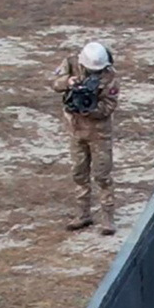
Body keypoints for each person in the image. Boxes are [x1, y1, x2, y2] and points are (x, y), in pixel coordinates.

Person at [52, 39, 120, 235]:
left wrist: (90, 109)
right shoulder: (71, 64)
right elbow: (55, 83)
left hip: (99, 133)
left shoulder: (110, 77)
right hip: (75, 130)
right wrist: (69, 82)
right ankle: (83, 214)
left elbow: (109, 106)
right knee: (79, 172)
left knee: (102, 175)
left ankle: (108, 218)